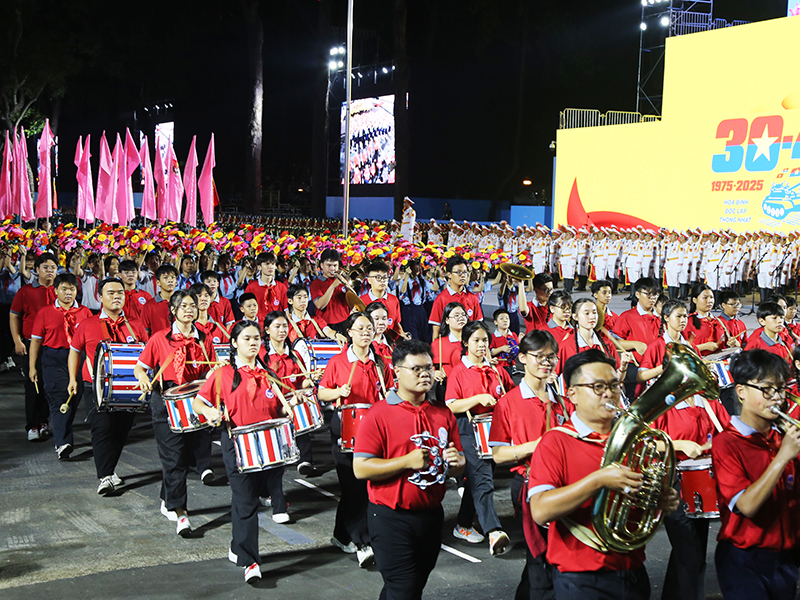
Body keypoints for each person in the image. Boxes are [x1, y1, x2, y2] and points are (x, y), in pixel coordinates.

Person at [528, 349, 680, 600]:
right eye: (597, 387)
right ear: (572, 394)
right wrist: (599, 480)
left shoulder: (633, 442)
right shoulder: (555, 441)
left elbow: (637, 502)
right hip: (582, 578)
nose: (608, 393)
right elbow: (540, 510)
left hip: (633, 570)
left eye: (614, 385)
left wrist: (658, 500)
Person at [353, 339, 465, 600]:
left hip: (432, 515)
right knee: (404, 588)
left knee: (411, 587)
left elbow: (457, 464)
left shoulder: (442, 413)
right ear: (397, 372)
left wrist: (458, 464)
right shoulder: (378, 414)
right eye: (416, 369)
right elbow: (360, 468)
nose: (425, 374)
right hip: (390, 517)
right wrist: (405, 462)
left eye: (428, 368)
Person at [193, 320, 298, 583]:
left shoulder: (268, 374)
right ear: (234, 343)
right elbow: (198, 402)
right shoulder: (222, 374)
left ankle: (237, 546)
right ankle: (250, 561)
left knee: (247, 500)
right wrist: (209, 412)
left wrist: (291, 405)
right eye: (246, 338)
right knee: (246, 500)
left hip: (269, 445)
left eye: (256, 339)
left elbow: (278, 408)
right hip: (237, 445)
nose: (253, 343)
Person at [646, 303, 730, 600]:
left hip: (704, 483)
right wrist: (679, 445)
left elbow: (727, 431)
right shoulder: (661, 402)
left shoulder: (707, 400)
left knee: (692, 552)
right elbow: (645, 442)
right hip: (673, 483)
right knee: (692, 557)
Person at [491, 330, 573, 600]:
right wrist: (537, 445)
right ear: (523, 358)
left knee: (555, 558)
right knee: (540, 561)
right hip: (529, 485)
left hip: (563, 486)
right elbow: (499, 455)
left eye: (552, 357)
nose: (546, 363)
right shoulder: (508, 403)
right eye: (539, 357)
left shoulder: (563, 402)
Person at [712, 349, 800, 600]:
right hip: (744, 558)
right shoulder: (726, 442)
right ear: (741, 391)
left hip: (785, 557)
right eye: (767, 390)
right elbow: (746, 506)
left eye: (780, 390)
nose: (777, 398)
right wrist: (783, 457)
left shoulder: (783, 438)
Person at [134, 290, 217, 536]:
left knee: (184, 458)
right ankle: (182, 514)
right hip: (166, 402)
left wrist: (215, 373)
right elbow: (140, 367)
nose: (189, 310)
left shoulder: (204, 339)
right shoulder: (159, 338)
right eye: (184, 306)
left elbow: (209, 371)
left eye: (193, 306)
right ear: (173, 310)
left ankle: (167, 498)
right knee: (173, 458)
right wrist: (143, 378)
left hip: (194, 402)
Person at [318, 312, 395, 568]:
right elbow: (322, 392)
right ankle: (364, 543)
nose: (366, 332)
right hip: (345, 429)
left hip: (374, 430)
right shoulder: (338, 362)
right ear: (349, 332)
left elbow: (391, 391)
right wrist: (338, 392)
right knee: (354, 487)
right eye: (360, 328)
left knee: (363, 488)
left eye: (369, 328)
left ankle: (341, 536)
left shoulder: (380, 363)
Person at [68, 278, 148, 495]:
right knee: (101, 428)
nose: (116, 296)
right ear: (100, 297)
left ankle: (109, 469)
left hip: (129, 389)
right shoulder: (87, 324)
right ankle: (105, 477)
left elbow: (147, 354)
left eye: (120, 293)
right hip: (94, 386)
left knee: (121, 430)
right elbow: (74, 351)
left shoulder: (136, 324)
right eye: (111, 293)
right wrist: (73, 379)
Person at [445, 320, 514, 555]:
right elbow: (451, 405)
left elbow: (511, 395)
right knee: (483, 478)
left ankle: (463, 524)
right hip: (469, 428)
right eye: (476, 340)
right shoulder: (459, 371)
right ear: (466, 343)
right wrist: (477, 399)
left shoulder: (496, 370)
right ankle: (493, 531)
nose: (482, 345)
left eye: (485, 340)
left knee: (478, 479)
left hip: (494, 429)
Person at [29, 273, 93, 459]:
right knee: (58, 398)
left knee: (73, 398)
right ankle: (63, 443)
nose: (68, 293)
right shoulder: (45, 312)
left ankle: (62, 431)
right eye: (64, 289)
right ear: (55, 291)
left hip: (79, 358)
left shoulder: (85, 313)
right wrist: (32, 366)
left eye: (72, 289)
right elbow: (36, 341)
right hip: (54, 358)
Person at [260, 310, 322, 480]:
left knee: (301, 416)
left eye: (284, 326)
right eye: (277, 326)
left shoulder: (294, 354)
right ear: (267, 330)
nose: (282, 330)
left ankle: (305, 460)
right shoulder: (261, 355)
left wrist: (311, 379)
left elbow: (300, 383)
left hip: (292, 401)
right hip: (272, 403)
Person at [10, 251, 58, 441]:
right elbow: (14, 315)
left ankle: (44, 421)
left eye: (53, 268)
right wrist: (17, 340)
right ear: (37, 269)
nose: (50, 271)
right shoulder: (26, 291)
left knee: (50, 385)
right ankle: (32, 425)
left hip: (54, 345)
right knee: (33, 383)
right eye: (45, 267)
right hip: (31, 345)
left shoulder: (60, 291)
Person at [557, 298, 626, 374]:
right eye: (587, 313)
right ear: (575, 317)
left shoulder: (607, 344)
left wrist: (623, 367)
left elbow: (616, 377)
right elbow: (554, 375)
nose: (592, 317)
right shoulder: (566, 346)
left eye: (594, 312)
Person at [429, 256, 483, 340]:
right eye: (458, 272)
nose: (463, 275)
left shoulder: (473, 298)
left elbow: (479, 326)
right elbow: (436, 330)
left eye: (465, 272)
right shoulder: (441, 299)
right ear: (449, 274)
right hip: (449, 345)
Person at [359, 260, 407, 339]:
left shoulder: (394, 300)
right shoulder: (361, 301)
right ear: (369, 280)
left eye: (385, 277)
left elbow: (396, 323)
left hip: (390, 342)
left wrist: (402, 334)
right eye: (378, 277)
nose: (382, 280)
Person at [311, 249, 352, 334]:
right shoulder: (316, 284)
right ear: (321, 265)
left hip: (344, 322)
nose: (332, 269)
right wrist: (333, 286)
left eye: (335, 265)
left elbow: (353, 300)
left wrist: (347, 284)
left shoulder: (341, 280)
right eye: (329, 265)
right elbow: (319, 305)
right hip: (326, 325)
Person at [245, 252, 287, 323]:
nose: (270, 267)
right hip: (258, 325)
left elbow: (286, 309)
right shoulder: (251, 288)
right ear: (259, 267)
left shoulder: (281, 287)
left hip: (277, 325)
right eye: (267, 264)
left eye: (273, 264)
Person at [683, 283, 724, 356]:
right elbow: (682, 348)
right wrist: (704, 347)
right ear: (695, 300)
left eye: (711, 297)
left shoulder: (718, 321)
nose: (709, 301)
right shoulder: (687, 322)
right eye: (705, 298)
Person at [141, 265, 179, 336]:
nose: (170, 280)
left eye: (172, 277)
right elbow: (145, 332)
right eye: (165, 278)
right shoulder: (149, 306)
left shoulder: (182, 303)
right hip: (158, 342)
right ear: (158, 282)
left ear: (176, 282)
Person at [489, 308, 520, 375]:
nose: (505, 320)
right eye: (501, 318)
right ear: (495, 322)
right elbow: (490, 352)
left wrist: (520, 342)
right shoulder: (493, 337)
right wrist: (501, 349)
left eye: (507, 318)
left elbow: (517, 349)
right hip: (498, 366)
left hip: (510, 366)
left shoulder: (513, 335)